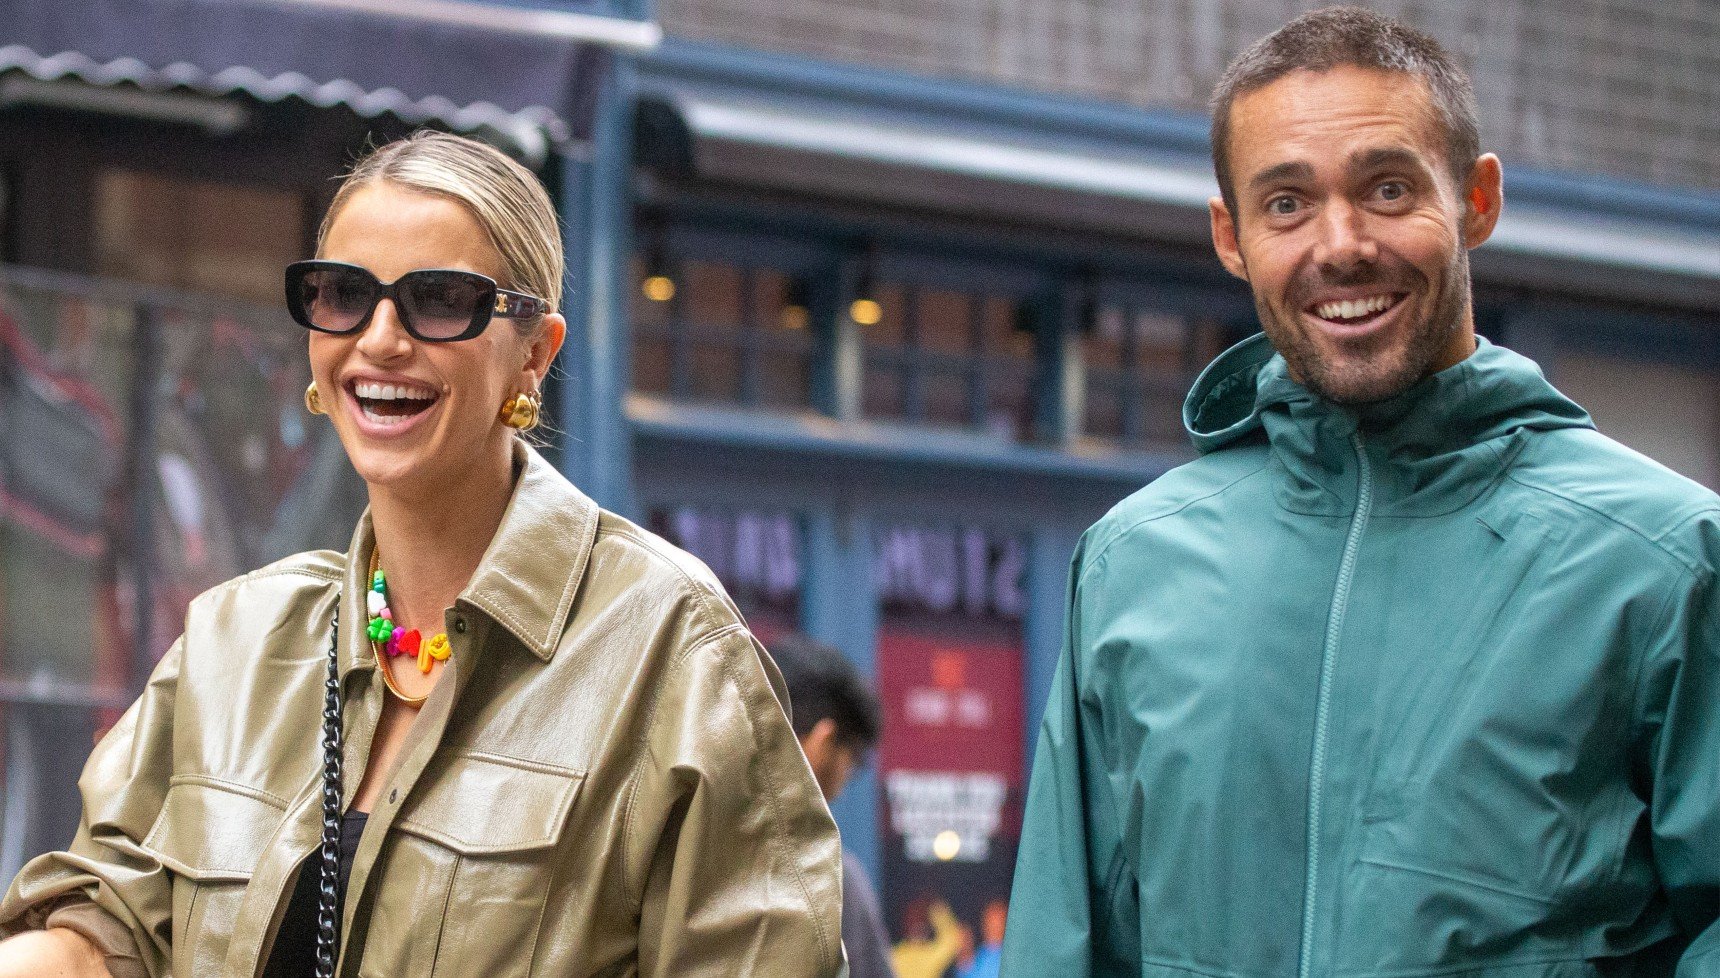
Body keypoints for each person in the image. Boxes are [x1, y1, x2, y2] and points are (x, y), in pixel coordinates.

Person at [0, 131, 845, 978]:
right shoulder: (233, 643)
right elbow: (98, 939)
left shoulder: (674, 652)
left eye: (440, 300)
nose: (381, 339)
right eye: (343, 295)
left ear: (535, 353)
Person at [1003, 8, 1718, 977]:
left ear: (1476, 199)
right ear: (1230, 235)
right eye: (1286, 204)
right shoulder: (1136, 560)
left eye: (1386, 190)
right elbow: (1068, 938)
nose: (1339, 245)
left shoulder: (1668, 560)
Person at [769, 632, 897, 978]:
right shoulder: (833, 880)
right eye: (851, 761)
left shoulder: (689, 835)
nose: (840, 789)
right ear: (823, 741)